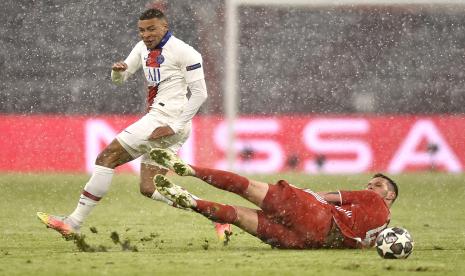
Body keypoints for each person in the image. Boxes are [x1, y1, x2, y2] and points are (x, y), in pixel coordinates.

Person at [37, 8, 230, 240]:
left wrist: (175, 125)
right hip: (165, 122)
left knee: (106, 158)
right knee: (150, 188)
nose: (146, 34)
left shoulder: (185, 52)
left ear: (165, 27)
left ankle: (74, 222)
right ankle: (217, 215)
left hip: (167, 120)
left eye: (151, 29)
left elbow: (200, 94)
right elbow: (121, 78)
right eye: (142, 30)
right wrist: (117, 72)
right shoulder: (141, 48)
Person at [149, 148, 399, 249]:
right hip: (307, 244)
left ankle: (190, 170)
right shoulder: (378, 236)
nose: (370, 186)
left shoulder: (373, 199)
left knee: (246, 187)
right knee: (237, 215)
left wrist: (297, 192)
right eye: (370, 184)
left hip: (316, 215)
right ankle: (192, 202)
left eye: (377, 185)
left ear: (391, 195)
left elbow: (328, 196)